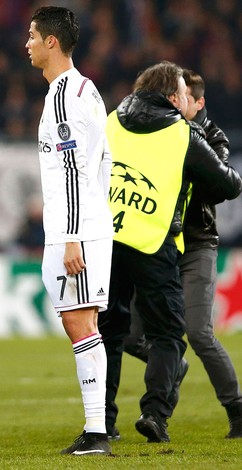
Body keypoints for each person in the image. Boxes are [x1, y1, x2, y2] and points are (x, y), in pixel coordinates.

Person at [99, 61, 242, 444]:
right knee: (162, 334)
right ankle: (156, 413)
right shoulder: (182, 135)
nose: (185, 102)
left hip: (139, 241)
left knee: (125, 333)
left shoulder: (110, 120)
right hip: (158, 242)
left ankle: (103, 422)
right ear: (174, 98)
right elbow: (229, 184)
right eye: (181, 95)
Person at [25, 6, 114, 456]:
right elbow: (100, 165)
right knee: (83, 323)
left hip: (76, 231)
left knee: (79, 323)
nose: (28, 44)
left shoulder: (65, 95)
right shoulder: (85, 90)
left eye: (33, 36)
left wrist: (74, 235)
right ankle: (98, 427)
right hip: (86, 225)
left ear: (51, 42)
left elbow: (74, 171)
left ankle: (97, 431)